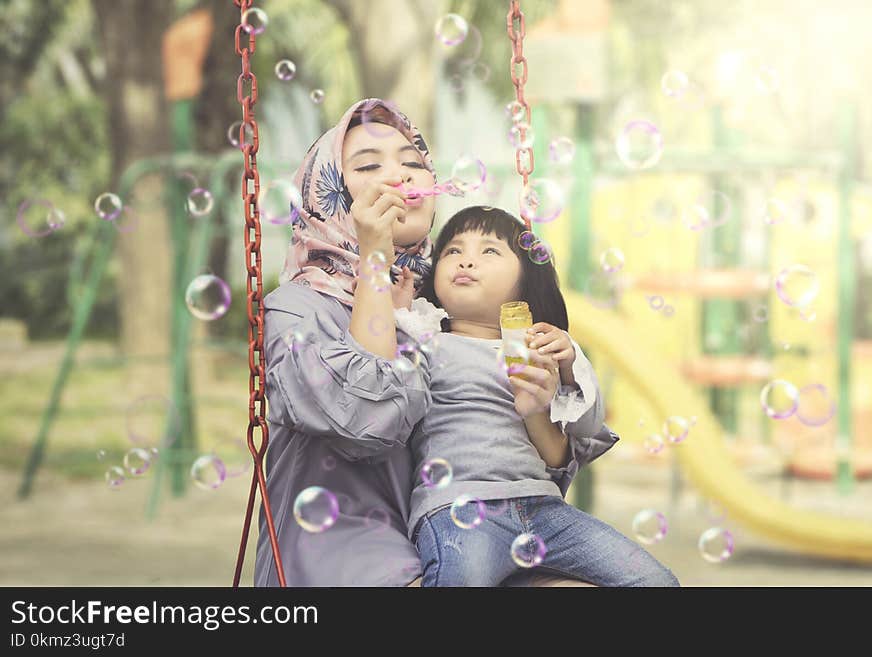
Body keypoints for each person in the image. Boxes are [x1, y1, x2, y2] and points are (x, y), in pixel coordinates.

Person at [254, 98, 603, 586]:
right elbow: (368, 422)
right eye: (369, 166)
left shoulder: (436, 310)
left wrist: (541, 405)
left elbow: (523, 466)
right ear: (327, 194)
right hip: (344, 554)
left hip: (456, 534)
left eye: (413, 163)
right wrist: (374, 256)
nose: (400, 177)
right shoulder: (298, 308)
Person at [403, 206, 681, 587]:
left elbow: (586, 424)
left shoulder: (536, 347)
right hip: (459, 506)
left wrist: (568, 363)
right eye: (453, 250)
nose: (466, 259)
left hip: (542, 506)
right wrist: (396, 306)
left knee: (655, 582)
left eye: (489, 251)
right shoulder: (424, 341)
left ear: (524, 280)